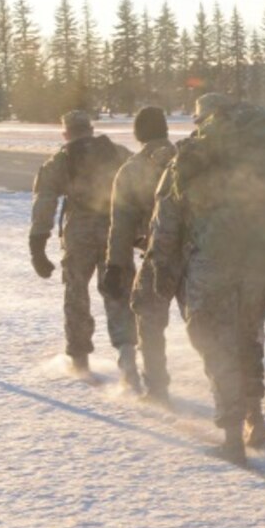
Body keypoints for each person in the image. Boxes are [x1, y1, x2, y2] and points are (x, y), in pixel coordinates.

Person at [137, 94, 265, 464]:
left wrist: (162, 273)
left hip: (210, 266)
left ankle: (232, 438)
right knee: (248, 338)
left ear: (204, 121)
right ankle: (255, 419)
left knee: (216, 346)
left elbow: (165, 226)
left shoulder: (189, 159)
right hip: (257, 264)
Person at [29, 110, 134, 377]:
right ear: (91, 129)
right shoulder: (118, 153)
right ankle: (127, 354)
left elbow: (45, 200)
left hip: (79, 234)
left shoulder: (61, 160)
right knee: (118, 292)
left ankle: (79, 360)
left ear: (65, 133)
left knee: (76, 294)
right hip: (116, 232)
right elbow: (141, 186)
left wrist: (38, 243)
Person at [101, 105, 177, 403]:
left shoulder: (132, 170)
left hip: (157, 256)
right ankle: (232, 393)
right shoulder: (187, 159)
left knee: (149, 318)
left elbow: (121, 225)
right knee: (207, 326)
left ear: (138, 134)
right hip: (195, 254)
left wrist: (115, 266)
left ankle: (157, 388)